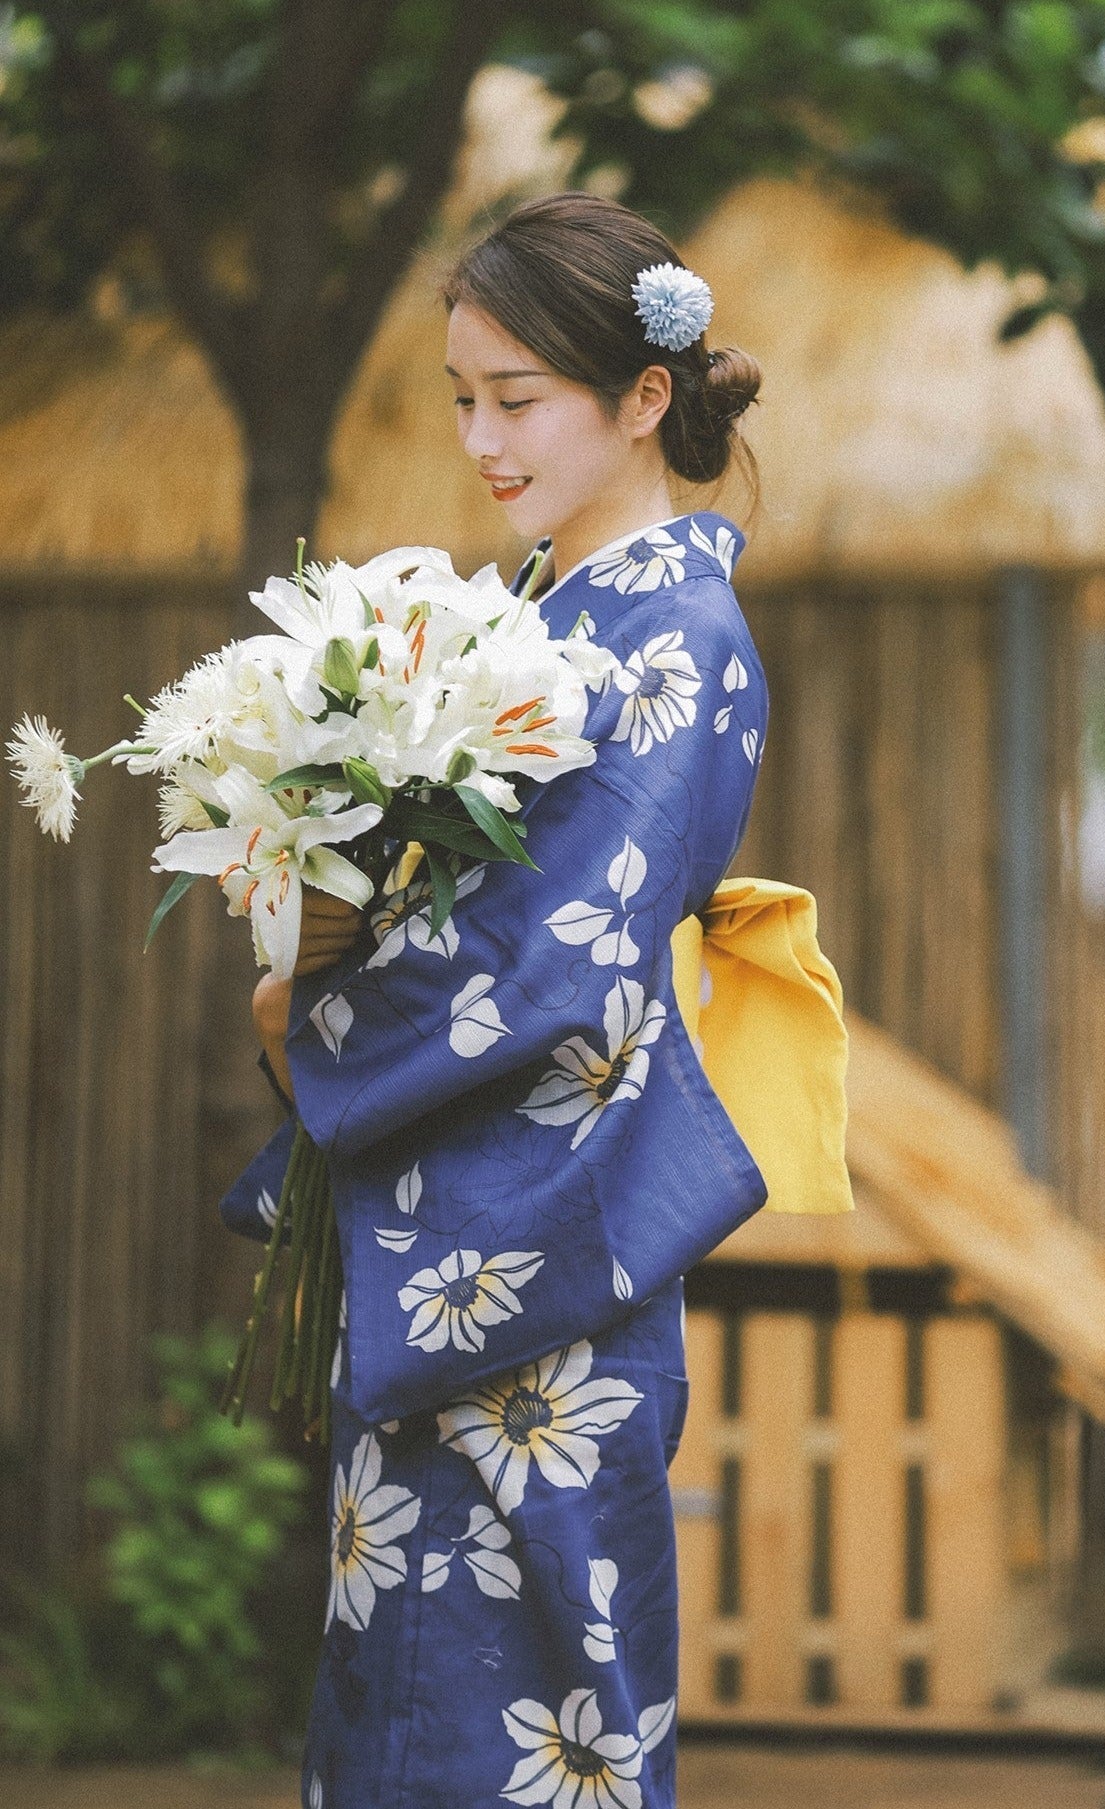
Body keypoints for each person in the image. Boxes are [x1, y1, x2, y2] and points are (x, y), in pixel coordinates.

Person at [228, 192, 779, 1809]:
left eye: (516, 399)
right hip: (460, 1232)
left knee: (518, 1730)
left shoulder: (671, 631)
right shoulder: (538, 605)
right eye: (462, 397)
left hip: (531, 1257)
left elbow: (556, 962)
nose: (480, 438)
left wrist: (306, 1026)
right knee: (415, 1707)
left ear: (643, 395)